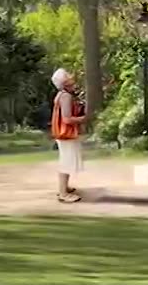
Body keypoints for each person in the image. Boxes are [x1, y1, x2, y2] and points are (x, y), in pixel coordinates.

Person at [51, 68, 86, 203]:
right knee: (66, 162)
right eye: (68, 76)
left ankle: (64, 188)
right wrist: (83, 119)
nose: (72, 77)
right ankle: (63, 193)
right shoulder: (66, 96)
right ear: (65, 82)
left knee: (67, 160)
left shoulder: (63, 94)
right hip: (66, 133)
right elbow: (67, 119)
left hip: (63, 134)